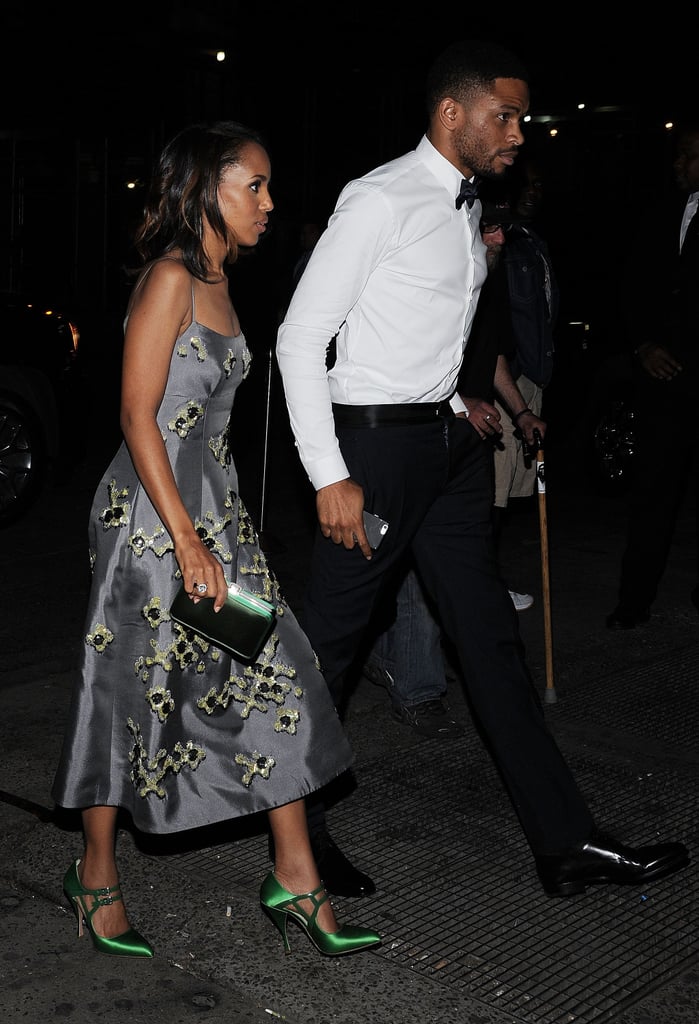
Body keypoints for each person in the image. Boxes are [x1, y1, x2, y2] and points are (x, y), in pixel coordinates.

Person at [276, 39, 690, 897]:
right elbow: (298, 338)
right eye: (505, 116)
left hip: (448, 449)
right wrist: (328, 475)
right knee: (330, 651)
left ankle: (564, 842)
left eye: (522, 118)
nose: (518, 133)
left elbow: (440, 329)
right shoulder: (379, 199)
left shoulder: (469, 206)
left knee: (492, 646)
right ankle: (294, 841)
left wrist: (463, 402)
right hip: (374, 450)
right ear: (451, 113)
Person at [50, 121, 380, 959]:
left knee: (276, 673)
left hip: (214, 518)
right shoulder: (168, 279)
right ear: (205, 188)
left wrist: (221, 530)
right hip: (152, 526)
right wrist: (188, 541)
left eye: (268, 188)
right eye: (255, 186)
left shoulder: (224, 287)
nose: (270, 204)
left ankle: (296, 880)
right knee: (129, 690)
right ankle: (95, 876)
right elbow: (137, 416)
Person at [361, 205, 546, 738]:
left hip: (471, 438)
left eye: (499, 230)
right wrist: (461, 402)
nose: (495, 236)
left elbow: (490, 360)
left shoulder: (484, 286)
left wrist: (522, 411)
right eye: (484, 228)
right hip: (418, 431)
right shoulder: (431, 274)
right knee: (408, 563)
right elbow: (400, 358)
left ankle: (403, 659)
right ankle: (416, 686)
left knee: (454, 562)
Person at [605, 124, 699, 628]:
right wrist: (642, 345)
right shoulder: (661, 211)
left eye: (688, 155)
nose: (678, 164)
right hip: (662, 382)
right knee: (652, 493)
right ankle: (633, 600)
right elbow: (631, 285)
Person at [490, 156, 559, 610]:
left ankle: (488, 581)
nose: (534, 193)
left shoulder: (532, 241)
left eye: (540, 185)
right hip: (503, 381)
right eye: (526, 185)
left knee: (513, 488)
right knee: (491, 495)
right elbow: (492, 321)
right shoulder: (499, 243)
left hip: (529, 378)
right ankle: (483, 588)